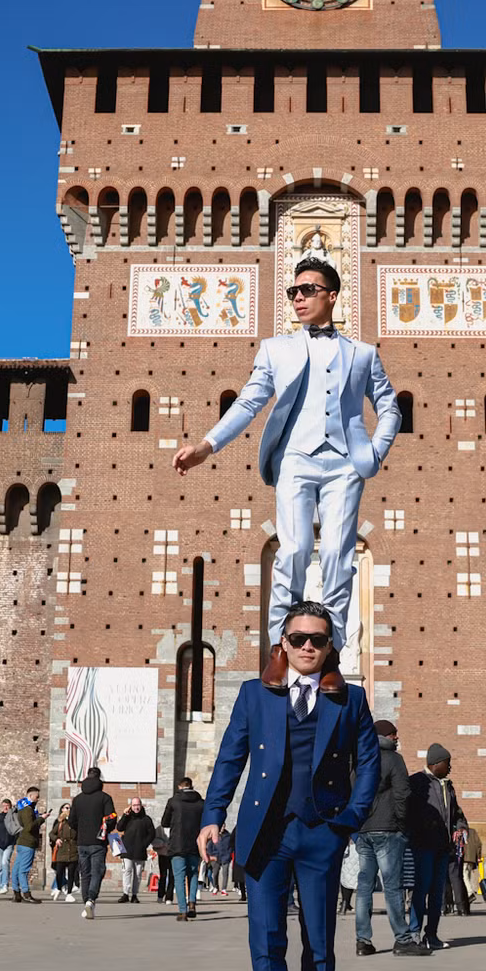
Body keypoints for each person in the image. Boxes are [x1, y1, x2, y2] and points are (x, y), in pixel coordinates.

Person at [174, 256, 402, 694]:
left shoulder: (363, 354)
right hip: (295, 459)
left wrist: (375, 452)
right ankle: (281, 649)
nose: (298, 298)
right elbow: (248, 402)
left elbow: (389, 406)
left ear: (331, 296)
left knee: (338, 555)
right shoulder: (275, 349)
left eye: (307, 290)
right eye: (293, 292)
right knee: (293, 550)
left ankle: (331, 654)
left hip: (346, 462)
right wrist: (207, 445)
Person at [198, 600, 379, 971]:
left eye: (317, 639)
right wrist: (213, 816)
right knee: (266, 944)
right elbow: (230, 758)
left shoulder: (351, 699)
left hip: (321, 835)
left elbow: (368, 763)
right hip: (265, 837)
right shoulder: (254, 695)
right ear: (283, 642)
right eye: (298, 638)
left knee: (319, 947)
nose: (307, 647)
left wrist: (349, 819)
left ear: (329, 646)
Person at [354, 719, 424, 956]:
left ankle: (363, 941)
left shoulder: (361, 758)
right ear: (386, 736)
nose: (397, 738)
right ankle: (402, 940)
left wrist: (356, 826)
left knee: (364, 885)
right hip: (388, 829)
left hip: (364, 830)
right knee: (392, 885)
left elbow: (350, 792)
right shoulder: (394, 759)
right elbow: (403, 794)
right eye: (394, 734)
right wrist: (402, 826)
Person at [406, 742, 465, 951]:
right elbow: (408, 812)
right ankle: (414, 933)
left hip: (443, 848)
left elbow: (457, 812)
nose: (450, 768)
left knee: (437, 893)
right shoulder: (417, 782)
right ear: (436, 763)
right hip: (423, 846)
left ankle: (431, 934)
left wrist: (461, 826)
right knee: (421, 890)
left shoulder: (448, 786)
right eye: (447, 763)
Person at [68, 768, 116, 918]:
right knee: (97, 871)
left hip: (82, 841)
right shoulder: (105, 798)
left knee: (85, 873)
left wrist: (80, 829)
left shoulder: (77, 799)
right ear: (99, 778)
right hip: (98, 841)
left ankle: (86, 903)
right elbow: (112, 818)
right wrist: (107, 829)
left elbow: (71, 821)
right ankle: (91, 899)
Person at [161, 776, 206, 921]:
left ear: (179, 787)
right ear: (191, 786)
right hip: (195, 844)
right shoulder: (201, 803)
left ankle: (183, 911)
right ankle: (192, 903)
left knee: (179, 878)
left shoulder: (173, 801)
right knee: (193, 874)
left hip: (177, 844)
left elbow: (164, 822)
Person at [117, 797, 156, 904]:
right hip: (127, 850)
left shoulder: (146, 819)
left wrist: (144, 844)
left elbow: (152, 834)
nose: (136, 807)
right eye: (134, 805)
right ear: (131, 806)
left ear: (141, 805)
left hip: (140, 851)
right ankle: (125, 893)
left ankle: (134, 895)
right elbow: (119, 827)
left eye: (138, 805)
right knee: (127, 871)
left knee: (138, 874)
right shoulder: (128, 817)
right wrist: (124, 815)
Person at [11, 787, 43, 903]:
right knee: (23, 869)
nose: (38, 799)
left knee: (16, 868)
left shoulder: (21, 808)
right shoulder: (28, 810)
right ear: (30, 796)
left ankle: (16, 893)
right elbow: (29, 827)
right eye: (36, 797)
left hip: (21, 842)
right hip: (28, 843)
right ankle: (26, 893)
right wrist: (41, 819)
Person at [49, 802, 78, 902]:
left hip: (73, 849)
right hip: (62, 850)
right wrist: (56, 839)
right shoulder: (60, 823)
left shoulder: (75, 823)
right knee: (59, 872)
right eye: (66, 808)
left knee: (71, 873)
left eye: (70, 808)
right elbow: (51, 833)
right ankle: (58, 888)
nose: (68, 810)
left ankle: (69, 893)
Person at [0, 799, 17, 894]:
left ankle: (5, 885)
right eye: (4, 805)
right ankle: (1, 885)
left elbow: (17, 830)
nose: (5, 807)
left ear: (10, 806)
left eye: (7, 806)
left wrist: (13, 841)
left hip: (9, 844)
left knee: (5, 862)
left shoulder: (14, 817)